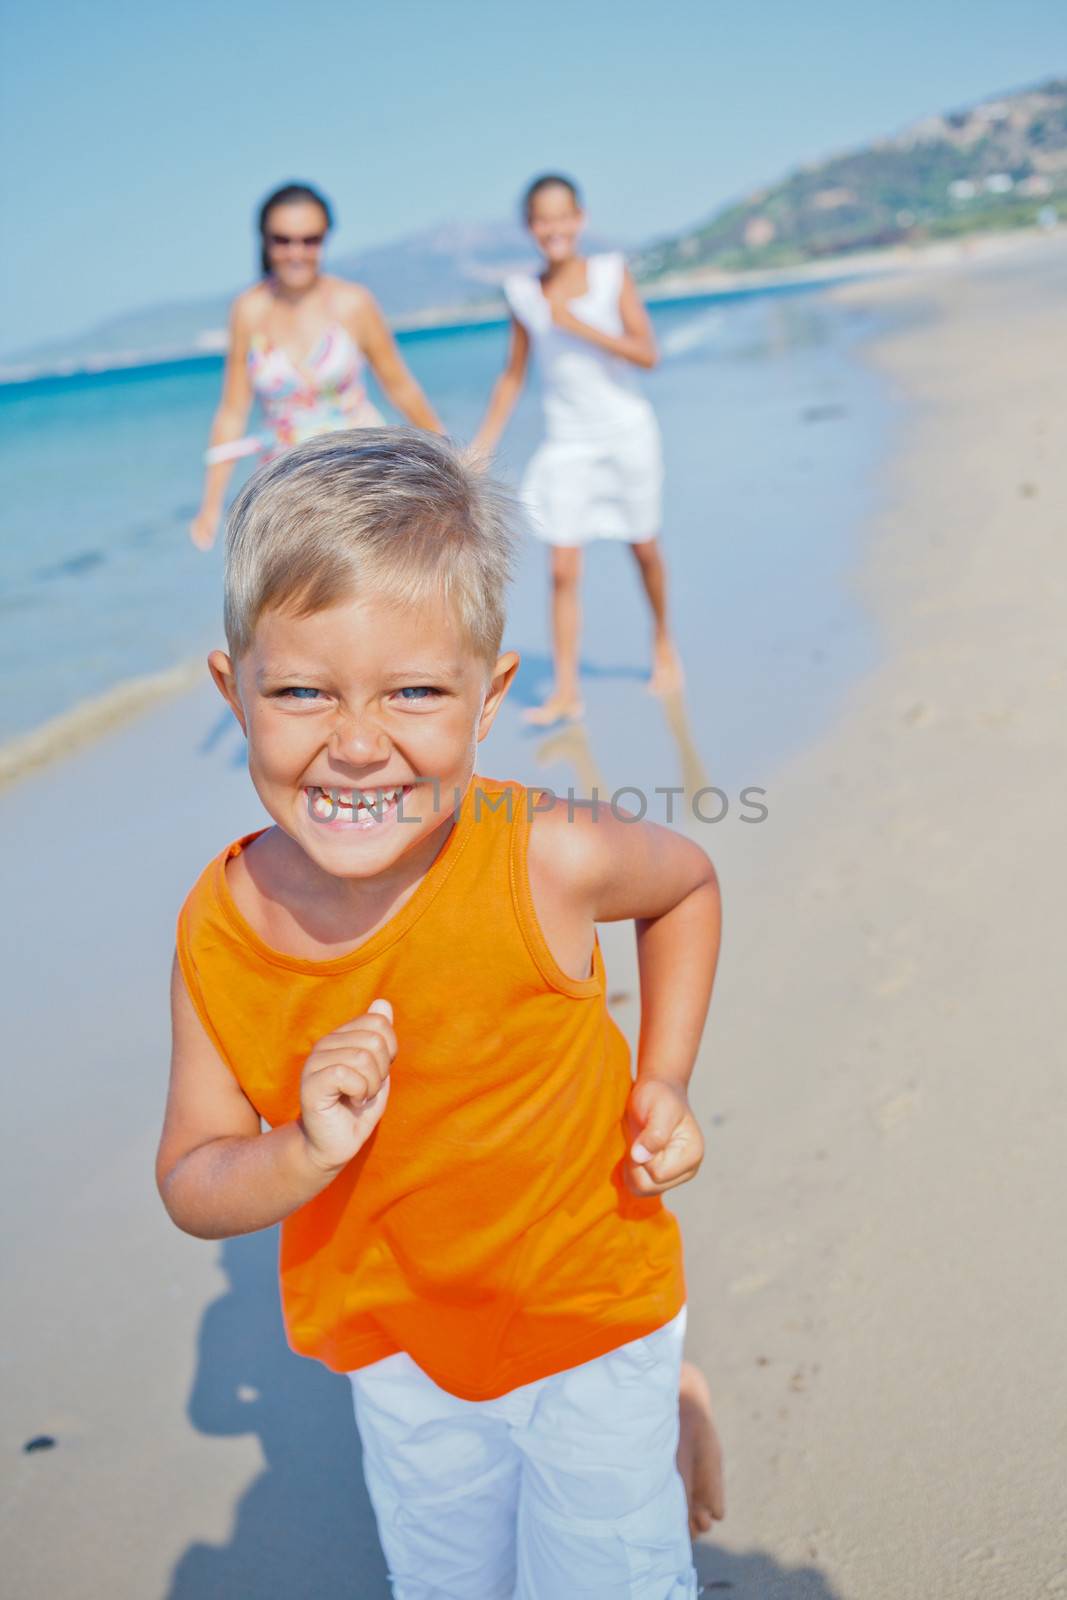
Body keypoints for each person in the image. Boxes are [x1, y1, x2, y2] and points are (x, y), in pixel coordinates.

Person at [158, 428, 722, 1595]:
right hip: (401, 1357)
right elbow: (193, 1179)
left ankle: (664, 1381)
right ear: (233, 688)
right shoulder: (220, 924)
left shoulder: (546, 856)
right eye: (302, 691)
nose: (357, 744)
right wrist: (302, 1147)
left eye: (414, 692)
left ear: (487, 695)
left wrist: (662, 1076)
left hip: (588, 1310)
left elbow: (686, 886)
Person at [473, 173, 683, 725]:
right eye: (542, 219)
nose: (554, 228)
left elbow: (647, 354)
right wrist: (481, 446)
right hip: (567, 443)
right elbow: (512, 377)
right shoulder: (522, 293)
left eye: (563, 216)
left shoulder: (611, 274)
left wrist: (582, 326)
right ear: (530, 227)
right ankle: (566, 690)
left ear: (580, 219)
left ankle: (663, 642)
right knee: (563, 567)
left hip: (627, 433)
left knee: (643, 551)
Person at [189, 184, 442, 551]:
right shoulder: (248, 310)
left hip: (360, 474)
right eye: (283, 240)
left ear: (325, 240)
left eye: (310, 240)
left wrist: (448, 455)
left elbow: (400, 385)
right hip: (285, 482)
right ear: (265, 241)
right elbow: (232, 411)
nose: (297, 252)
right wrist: (210, 505)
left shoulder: (353, 303)